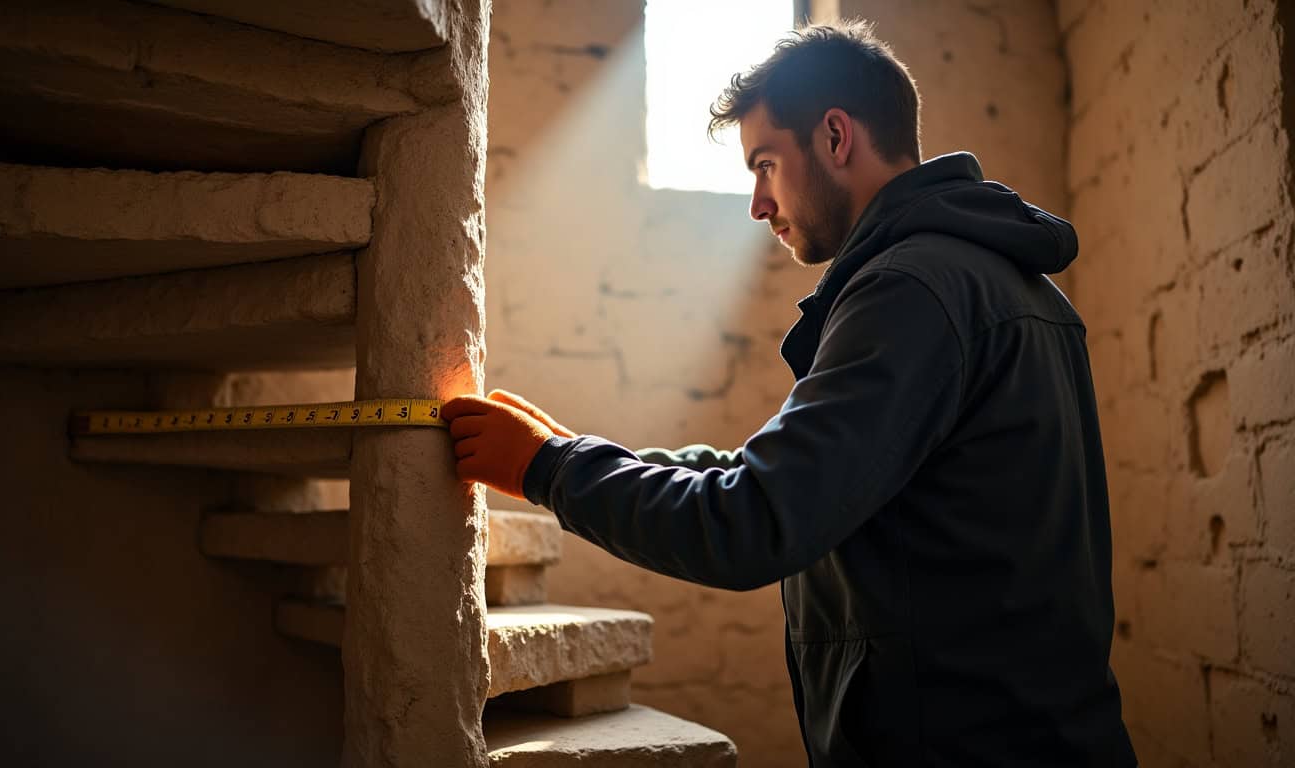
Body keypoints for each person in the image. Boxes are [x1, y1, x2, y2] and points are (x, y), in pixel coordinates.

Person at [442, 20, 1136, 768]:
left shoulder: (910, 290)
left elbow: (754, 519)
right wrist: (569, 450)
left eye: (766, 164)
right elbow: (777, 476)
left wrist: (548, 469)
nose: (758, 204)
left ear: (835, 137)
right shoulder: (998, 281)